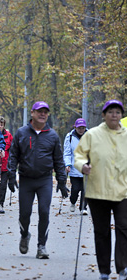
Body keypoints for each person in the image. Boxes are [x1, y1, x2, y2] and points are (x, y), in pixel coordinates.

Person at [74, 100, 127, 280]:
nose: (114, 115)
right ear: (104, 115)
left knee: (124, 228)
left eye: (117, 112)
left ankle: (123, 267)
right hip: (97, 191)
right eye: (110, 112)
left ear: (121, 115)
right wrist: (83, 166)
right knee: (102, 232)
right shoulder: (93, 135)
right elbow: (79, 155)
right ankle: (104, 270)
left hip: (123, 191)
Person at [8, 101, 67, 259]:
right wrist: (11, 175)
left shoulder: (52, 135)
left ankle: (42, 245)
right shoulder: (21, 133)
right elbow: (13, 155)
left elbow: (59, 160)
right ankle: (25, 234)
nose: (43, 114)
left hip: (45, 179)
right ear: (32, 113)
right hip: (26, 179)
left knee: (44, 211)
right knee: (24, 214)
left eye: (45, 112)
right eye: (40, 111)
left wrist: (62, 181)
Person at [63, 118, 88, 215]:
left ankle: (83, 208)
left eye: (83, 127)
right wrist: (67, 164)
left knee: (85, 189)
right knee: (75, 189)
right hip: (74, 167)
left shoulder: (90, 135)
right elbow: (67, 153)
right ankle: (73, 201)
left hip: (87, 167)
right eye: (79, 128)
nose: (81, 130)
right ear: (75, 127)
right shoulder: (69, 137)